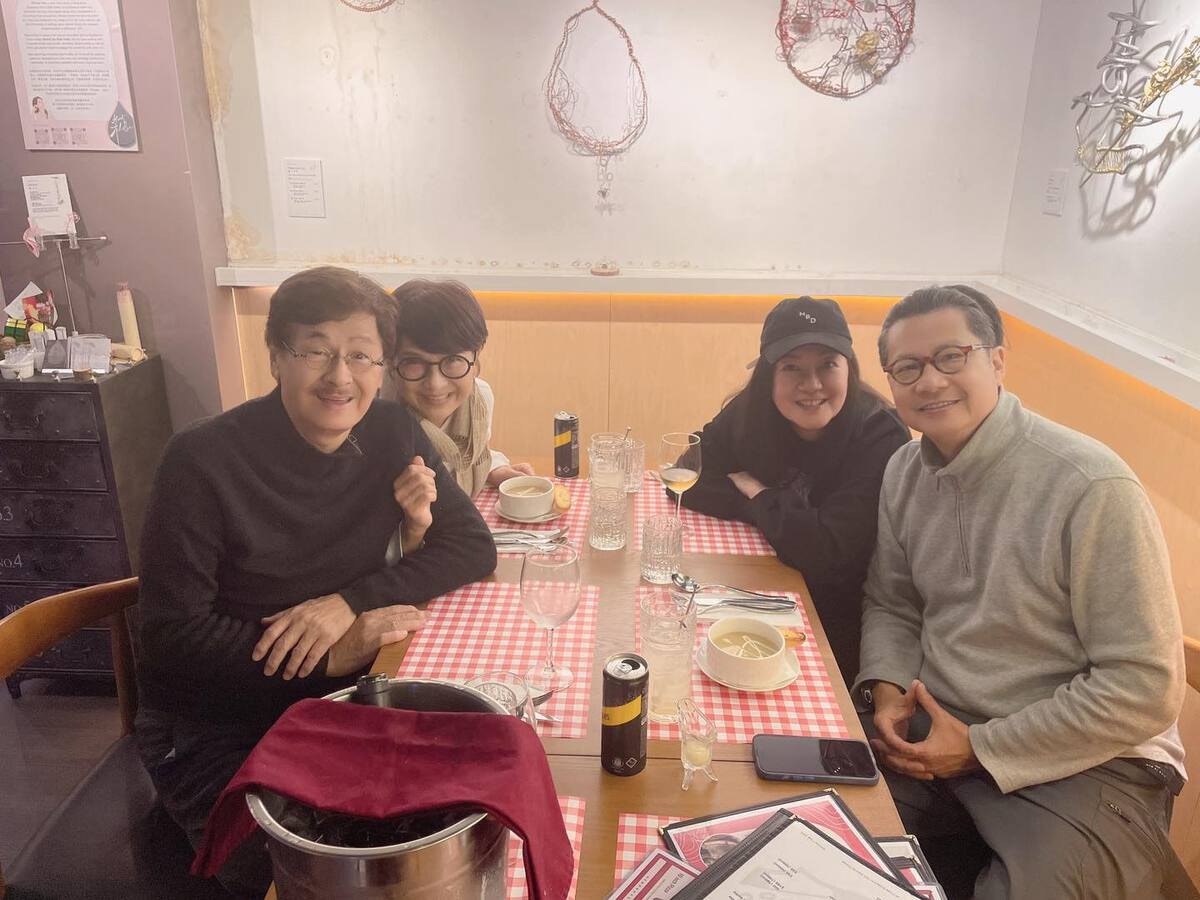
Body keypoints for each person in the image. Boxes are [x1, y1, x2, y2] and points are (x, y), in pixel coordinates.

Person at [134, 265, 497, 895]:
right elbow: (172, 640)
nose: (340, 377)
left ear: (381, 367)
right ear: (276, 356)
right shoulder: (202, 460)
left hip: (346, 706)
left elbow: (470, 545)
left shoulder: (391, 430)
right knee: (321, 882)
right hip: (220, 728)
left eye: (360, 355)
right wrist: (333, 654)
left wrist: (350, 603)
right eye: (316, 351)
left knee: (466, 818)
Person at [855, 285, 1189, 899]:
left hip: (1089, 761)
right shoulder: (903, 471)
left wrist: (980, 747)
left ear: (998, 360)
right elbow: (892, 601)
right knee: (812, 833)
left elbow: (1144, 686)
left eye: (951, 356)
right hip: (938, 728)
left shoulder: (1091, 485)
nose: (931, 381)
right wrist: (889, 689)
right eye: (907, 367)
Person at [681, 296, 910, 681]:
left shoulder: (879, 433)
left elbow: (828, 554)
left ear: (849, 367)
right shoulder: (751, 410)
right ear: (769, 374)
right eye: (792, 367)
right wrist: (767, 512)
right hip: (762, 586)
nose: (812, 385)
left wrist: (760, 493)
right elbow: (687, 476)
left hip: (839, 617)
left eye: (827, 365)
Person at [382, 278, 533, 497]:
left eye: (452, 359)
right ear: (390, 361)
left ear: (476, 357)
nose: (435, 384)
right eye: (414, 362)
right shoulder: (371, 414)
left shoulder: (478, 400)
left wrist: (494, 468)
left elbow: (460, 454)